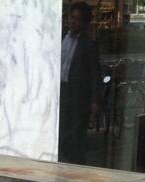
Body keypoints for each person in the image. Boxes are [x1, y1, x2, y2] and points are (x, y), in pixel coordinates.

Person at [59, 2, 101, 164]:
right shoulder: (61, 36)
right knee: (61, 135)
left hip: (78, 97)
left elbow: (95, 73)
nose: (73, 21)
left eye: (77, 19)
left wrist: (95, 101)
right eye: (72, 17)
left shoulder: (89, 44)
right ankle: (76, 163)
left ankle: (78, 165)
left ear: (85, 23)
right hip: (61, 92)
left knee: (76, 137)